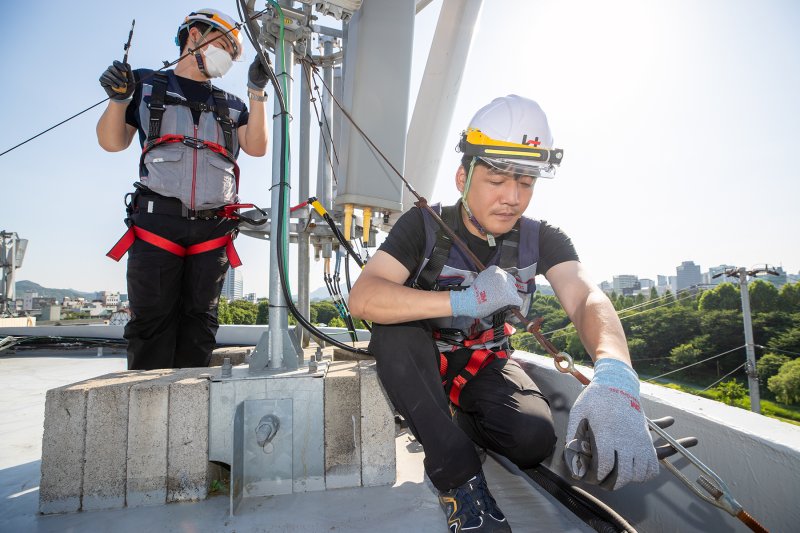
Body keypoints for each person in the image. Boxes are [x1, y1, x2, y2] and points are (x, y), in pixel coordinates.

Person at [348, 95, 658, 532]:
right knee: (393, 333)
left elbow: (587, 297)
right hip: (420, 362)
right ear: (463, 176)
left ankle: (465, 425)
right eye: (496, 179)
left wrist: (615, 372)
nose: (512, 198)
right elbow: (364, 296)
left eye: (526, 182)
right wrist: (462, 302)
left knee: (533, 441)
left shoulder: (542, 240)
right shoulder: (422, 227)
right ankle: (459, 479)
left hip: (483, 361)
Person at [97, 8, 270, 370]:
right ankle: (148, 412)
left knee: (201, 323)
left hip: (212, 229)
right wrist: (117, 98)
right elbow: (112, 142)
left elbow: (256, 146)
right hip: (158, 225)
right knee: (151, 322)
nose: (228, 57)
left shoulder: (231, 104)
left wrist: (256, 93)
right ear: (194, 35)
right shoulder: (145, 86)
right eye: (223, 45)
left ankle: (191, 410)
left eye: (233, 54)